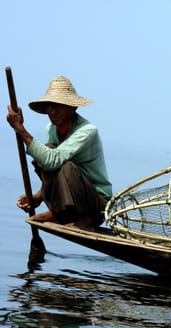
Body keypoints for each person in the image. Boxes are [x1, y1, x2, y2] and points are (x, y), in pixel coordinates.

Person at [6, 76, 112, 230]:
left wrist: (21, 130)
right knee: (46, 151)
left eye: (59, 106)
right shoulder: (52, 128)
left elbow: (53, 161)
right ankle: (58, 212)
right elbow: (49, 166)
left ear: (72, 107)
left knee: (66, 166)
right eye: (50, 106)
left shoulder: (87, 131)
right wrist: (38, 197)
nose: (53, 111)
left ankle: (83, 220)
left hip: (96, 205)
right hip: (72, 202)